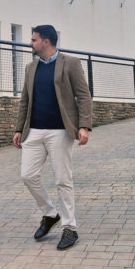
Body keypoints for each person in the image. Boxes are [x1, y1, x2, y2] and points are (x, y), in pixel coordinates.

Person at [13, 24, 92, 250]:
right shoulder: (31, 68)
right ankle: (50, 214)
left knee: (62, 179)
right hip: (34, 131)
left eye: (34, 39)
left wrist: (84, 126)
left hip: (60, 131)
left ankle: (70, 228)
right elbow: (25, 101)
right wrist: (19, 129)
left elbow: (84, 97)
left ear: (46, 41)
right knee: (28, 175)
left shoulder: (70, 64)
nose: (31, 43)